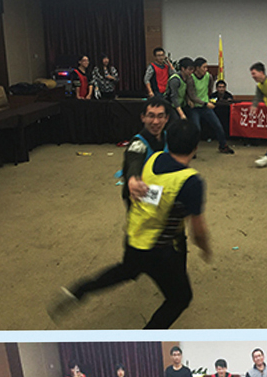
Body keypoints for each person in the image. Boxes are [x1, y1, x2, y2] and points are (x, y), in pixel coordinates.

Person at [49, 120, 211, 330]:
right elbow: (198, 230)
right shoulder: (191, 182)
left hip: (135, 235)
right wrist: (205, 248)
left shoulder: (154, 158)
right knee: (180, 298)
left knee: (127, 270)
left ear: (168, 142)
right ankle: (147, 336)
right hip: (159, 250)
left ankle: (79, 290)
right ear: (196, 147)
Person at [120, 97, 169, 209]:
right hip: (139, 193)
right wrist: (133, 179)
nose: (155, 122)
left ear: (166, 118)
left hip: (158, 190)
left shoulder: (169, 138)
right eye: (151, 116)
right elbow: (134, 162)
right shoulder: (138, 144)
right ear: (143, 117)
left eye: (160, 116)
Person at [185, 57, 235, 154]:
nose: (206, 69)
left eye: (206, 67)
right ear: (197, 68)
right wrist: (204, 103)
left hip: (205, 107)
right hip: (195, 107)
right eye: (204, 67)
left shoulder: (209, 77)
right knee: (196, 129)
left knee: (218, 125)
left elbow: (209, 89)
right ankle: (192, 149)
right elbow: (192, 95)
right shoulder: (191, 79)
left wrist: (207, 100)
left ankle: (223, 146)